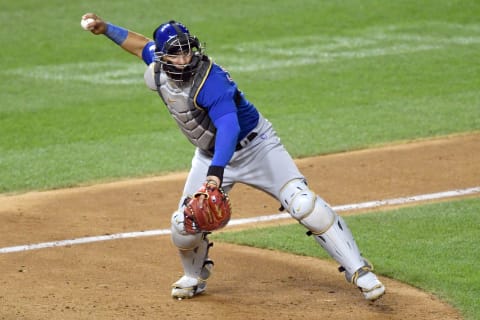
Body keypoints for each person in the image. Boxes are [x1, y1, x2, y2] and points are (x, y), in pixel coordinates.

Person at [81, 13, 386, 301]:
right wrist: (105, 28)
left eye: (188, 51)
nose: (185, 59)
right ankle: (194, 276)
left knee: (304, 204)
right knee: (185, 224)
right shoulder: (159, 66)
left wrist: (216, 173)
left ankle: (358, 270)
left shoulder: (210, 80)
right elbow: (138, 45)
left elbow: (229, 125)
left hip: (257, 147)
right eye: (176, 54)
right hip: (208, 155)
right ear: (162, 56)